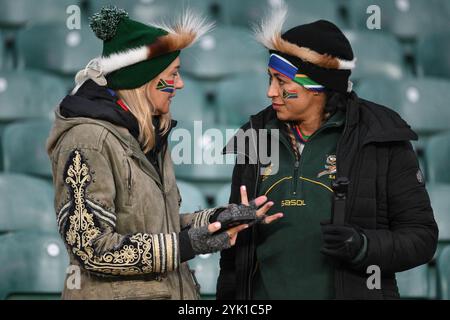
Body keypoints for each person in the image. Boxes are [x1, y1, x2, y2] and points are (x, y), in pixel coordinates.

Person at [46, 6, 281, 300]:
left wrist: (219, 219)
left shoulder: (144, 134)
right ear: (143, 80)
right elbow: (91, 249)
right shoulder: (87, 139)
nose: (180, 84)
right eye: (173, 74)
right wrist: (186, 245)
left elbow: (154, 225)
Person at [217, 6, 438, 300]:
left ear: (317, 86)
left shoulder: (381, 137)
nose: (271, 92)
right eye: (270, 79)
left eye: (282, 82)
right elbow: (234, 252)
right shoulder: (255, 136)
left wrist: (363, 246)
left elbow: (421, 237)